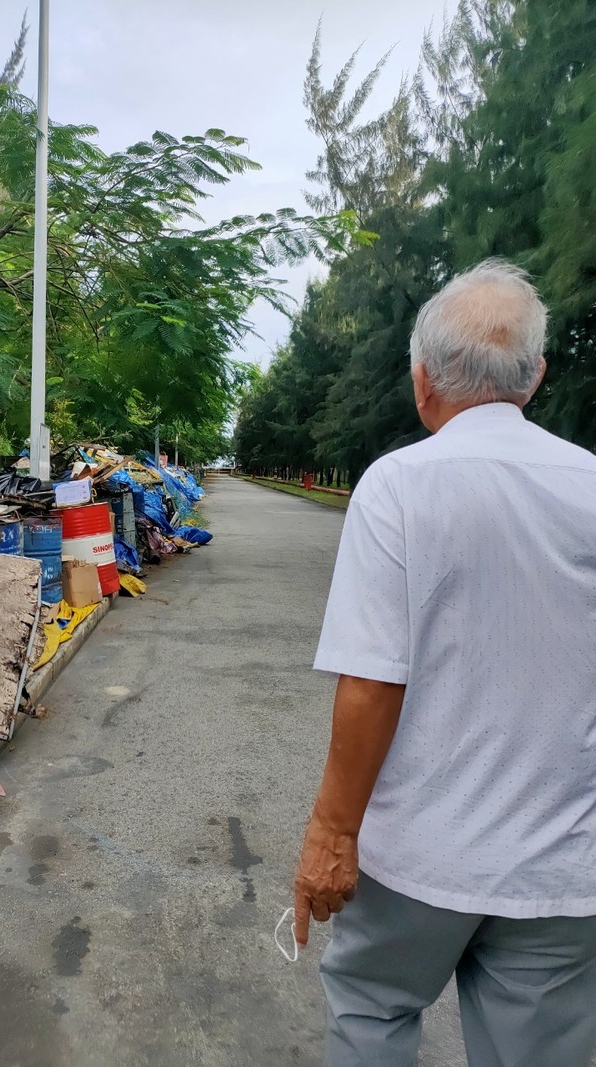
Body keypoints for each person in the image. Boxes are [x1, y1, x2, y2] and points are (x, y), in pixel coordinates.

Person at [294, 260, 596, 1067]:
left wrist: (332, 832)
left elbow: (370, 681)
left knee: (372, 1016)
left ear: (422, 379)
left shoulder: (399, 487)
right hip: (561, 867)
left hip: (415, 861)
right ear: (534, 376)